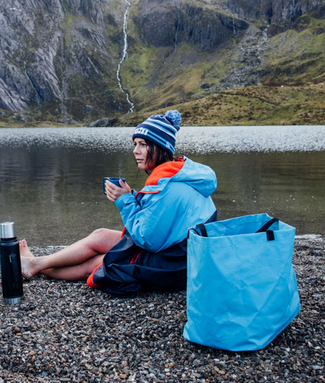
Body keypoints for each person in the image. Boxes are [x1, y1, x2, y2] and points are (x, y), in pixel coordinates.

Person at [19, 110, 217, 296]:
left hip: (174, 264)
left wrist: (125, 201)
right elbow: (159, 220)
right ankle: (36, 263)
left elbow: (147, 239)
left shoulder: (169, 188)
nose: (135, 151)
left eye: (142, 144)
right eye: (135, 144)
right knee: (100, 236)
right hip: (181, 253)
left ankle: (34, 267)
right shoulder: (179, 175)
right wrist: (131, 195)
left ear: (160, 147)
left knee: (101, 261)